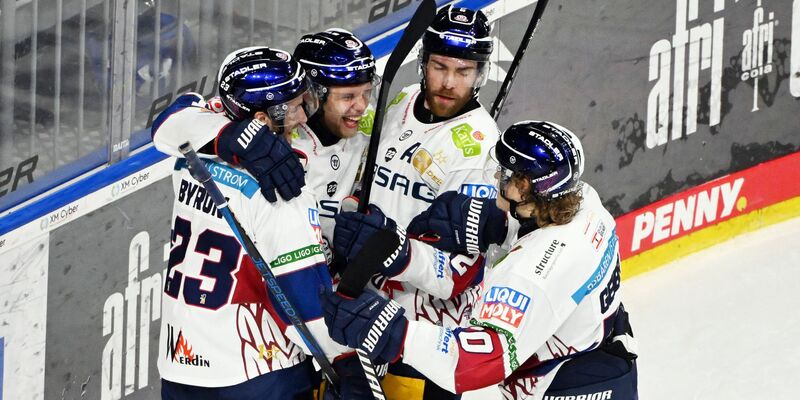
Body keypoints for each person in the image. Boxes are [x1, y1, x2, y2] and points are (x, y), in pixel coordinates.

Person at [322, 121, 639, 399]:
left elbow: (476, 362)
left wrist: (396, 333)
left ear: (526, 187)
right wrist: (495, 223)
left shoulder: (530, 274)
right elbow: (541, 227)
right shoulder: (585, 201)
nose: (497, 176)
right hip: (605, 365)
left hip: (569, 387)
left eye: (506, 173)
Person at [152, 46, 354, 400]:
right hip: (260, 375)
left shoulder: (193, 151)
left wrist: (235, 136)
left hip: (181, 366)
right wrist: (351, 365)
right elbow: (308, 309)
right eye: (294, 108)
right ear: (261, 120)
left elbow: (173, 118)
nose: (303, 119)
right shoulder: (282, 195)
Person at [332, 5, 502, 398]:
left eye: (464, 72)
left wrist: (393, 252)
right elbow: (370, 170)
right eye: (440, 67)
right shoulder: (402, 101)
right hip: (359, 305)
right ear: (423, 63)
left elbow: (461, 275)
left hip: (421, 335)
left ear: (480, 74)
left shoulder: (480, 151)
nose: (448, 82)